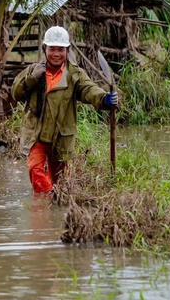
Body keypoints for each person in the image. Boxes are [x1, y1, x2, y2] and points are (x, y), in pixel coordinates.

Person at [11, 25, 118, 196]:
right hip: (36, 133)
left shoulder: (75, 74)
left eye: (60, 49)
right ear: (45, 49)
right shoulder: (34, 70)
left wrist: (104, 99)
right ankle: (43, 207)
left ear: (67, 51)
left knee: (60, 179)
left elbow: (88, 90)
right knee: (35, 169)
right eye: (52, 49)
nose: (56, 54)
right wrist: (31, 79)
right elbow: (16, 92)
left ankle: (56, 209)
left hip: (62, 135)